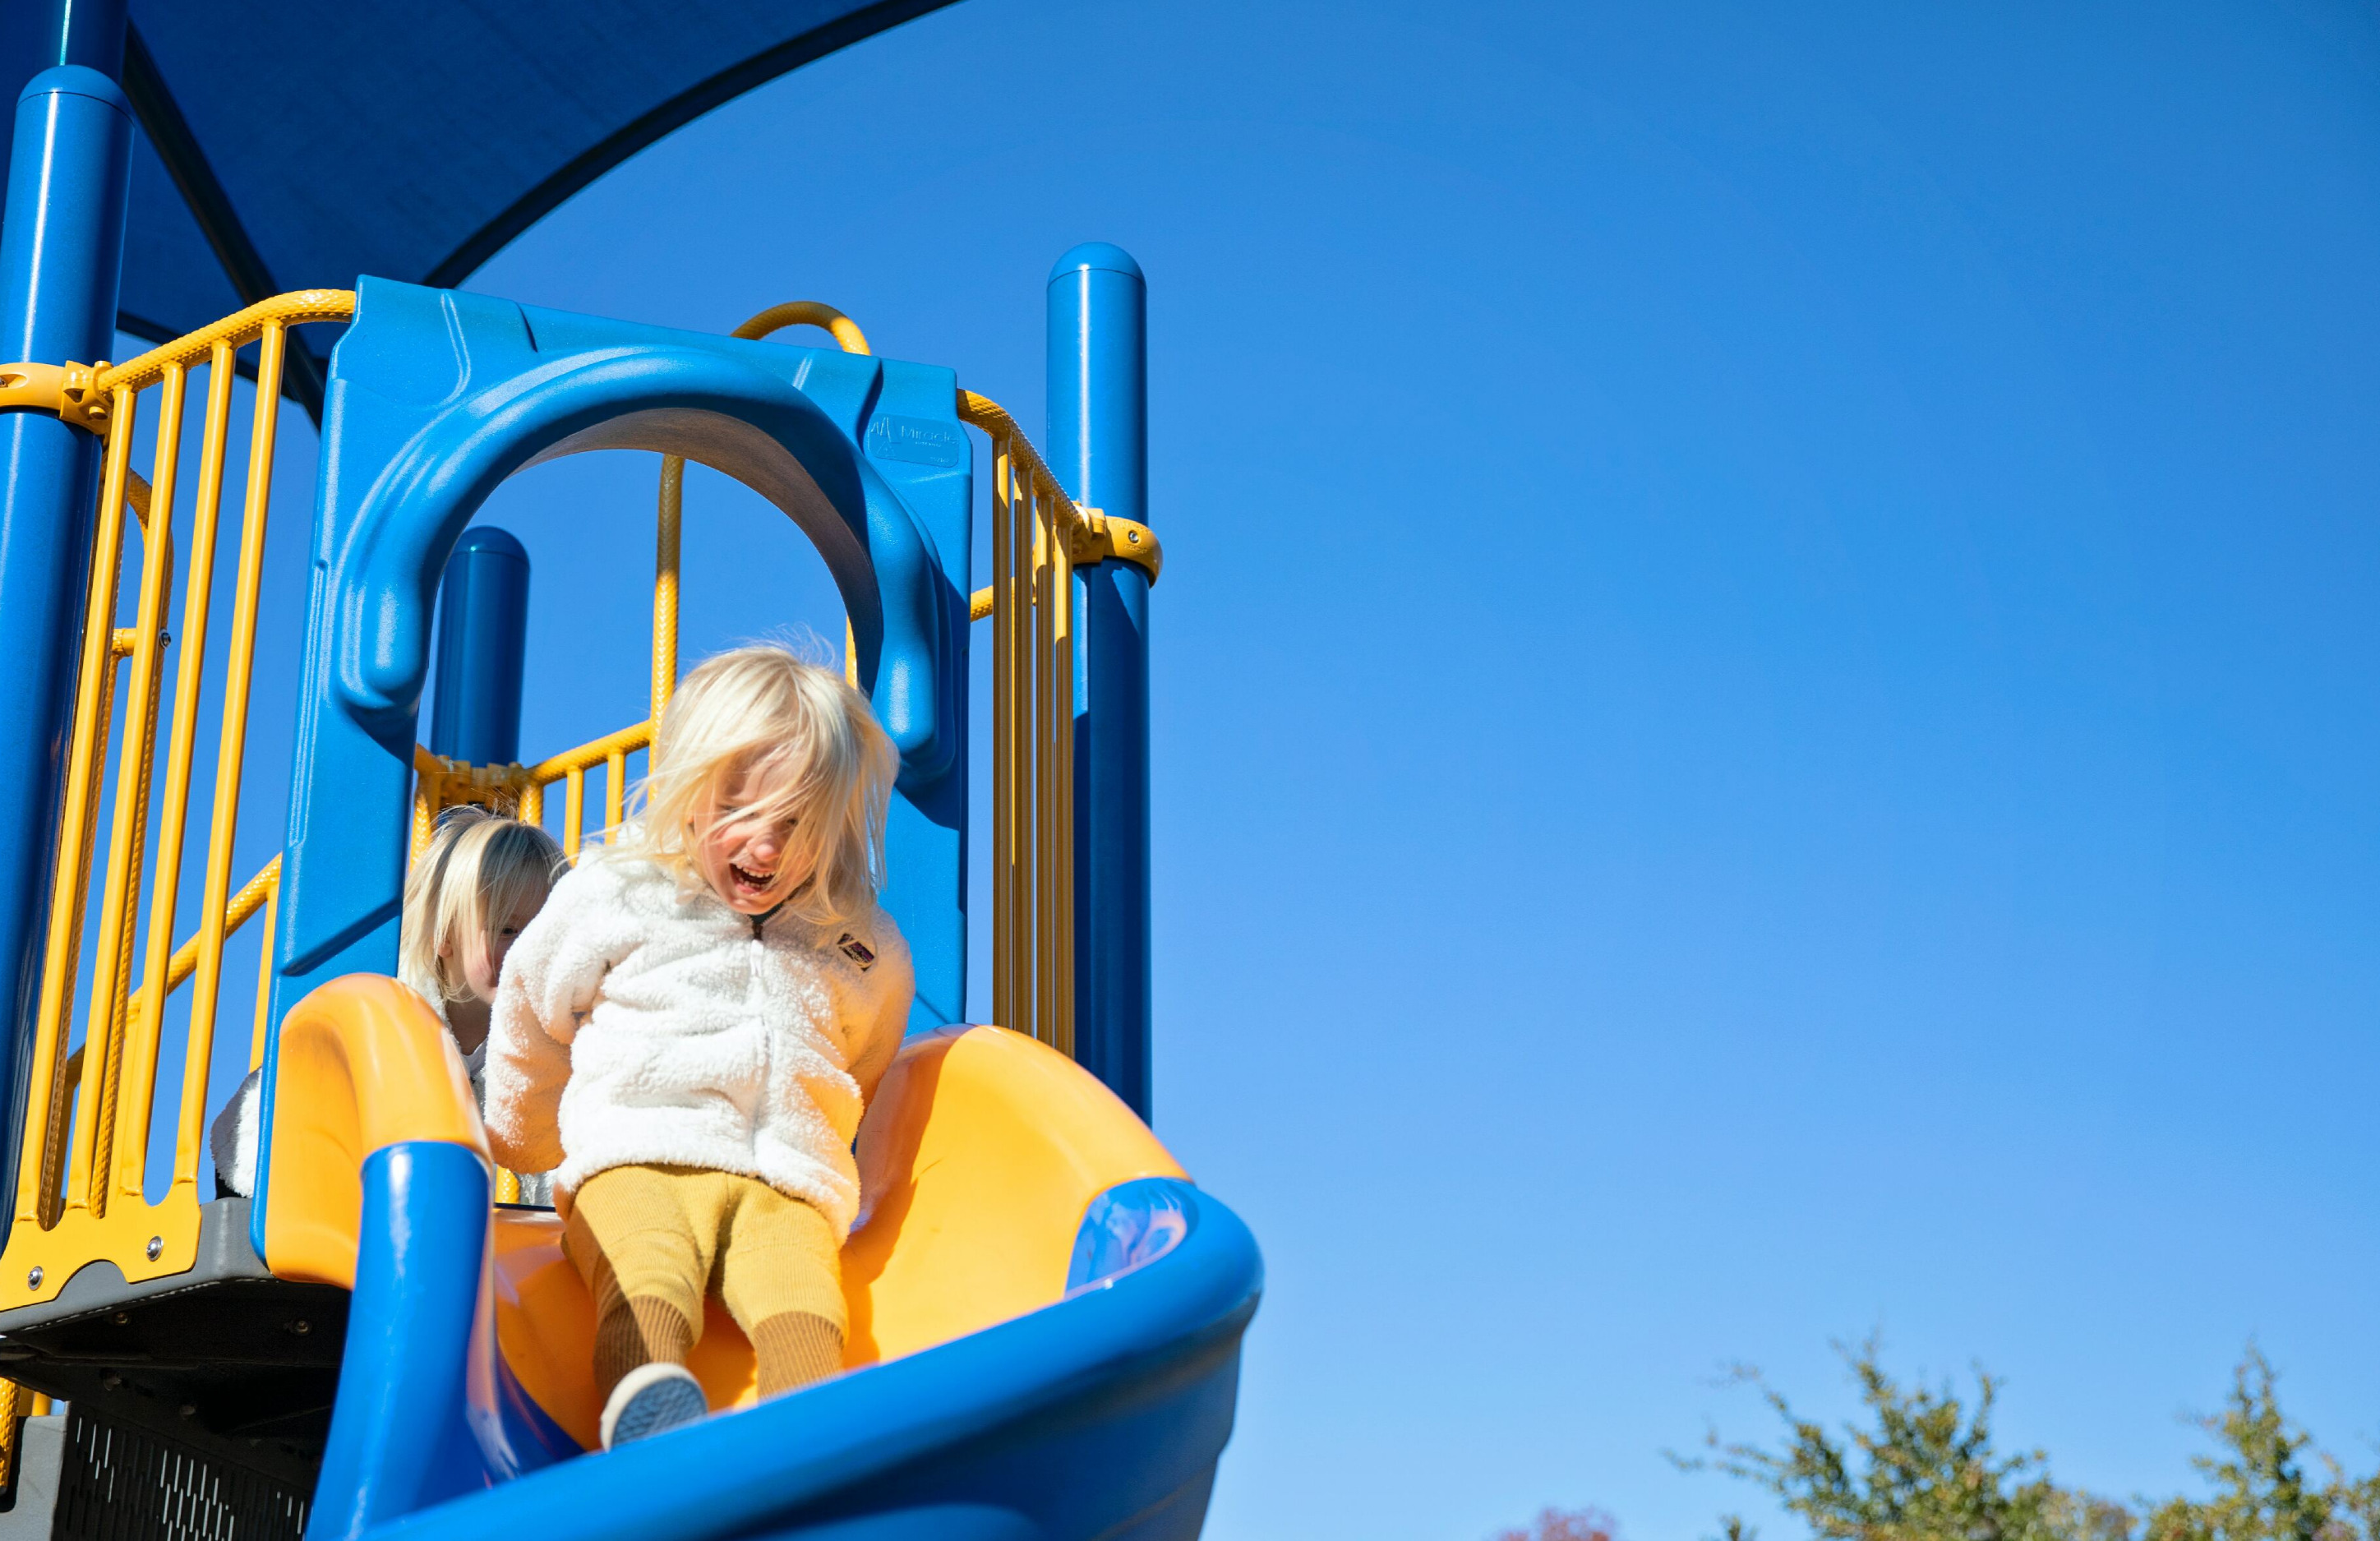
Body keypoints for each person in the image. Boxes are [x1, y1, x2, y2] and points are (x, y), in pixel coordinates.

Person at [482, 644, 914, 1450]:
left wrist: (826, 1136)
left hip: (784, 1181)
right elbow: (533, 1008)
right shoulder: (620, 893)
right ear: (688, 794)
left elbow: (868, 1056)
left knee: (809, 1303)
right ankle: (648, 1413)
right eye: (738, 813)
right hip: (637, 1154)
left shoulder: (854, 942)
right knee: (645, 1275)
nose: (765, 848)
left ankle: (809, 1447)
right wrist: (522, 1134)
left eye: (796, 825)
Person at [207, 807, 565, 1201]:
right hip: (263, 1180)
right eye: (507, 929)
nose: (528, 950)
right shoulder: (391, 1013)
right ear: (443, 935)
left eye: (544, 932)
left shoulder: (536, 1046)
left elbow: (553, 1147)